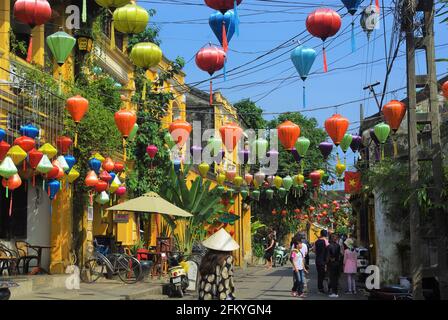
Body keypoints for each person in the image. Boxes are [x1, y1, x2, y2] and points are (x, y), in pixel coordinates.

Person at [198, 228, 240, 300]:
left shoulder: (206, 257)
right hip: (219, 294)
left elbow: (202, 279)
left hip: (205, 294)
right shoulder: (227, 259)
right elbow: (225, 279)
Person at [313, 229, 328, 294]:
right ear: (326, 234)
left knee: (319, 275)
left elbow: (314, 250)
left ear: (321, 234)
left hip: (318, 259)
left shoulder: (316, 241)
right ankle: (323, 288)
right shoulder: (326, 241)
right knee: (324, 275)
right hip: (324, 260)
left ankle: (320, 288)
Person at [327, 234, 341, 298]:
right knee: (336, 278)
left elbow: (327, 257)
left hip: (331, 264)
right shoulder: (338, 246)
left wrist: (326, 264)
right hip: (337, 263)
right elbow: (339, 255)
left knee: (332, 278)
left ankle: (333, 292)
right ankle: (336, 292)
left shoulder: (329, 246)